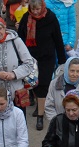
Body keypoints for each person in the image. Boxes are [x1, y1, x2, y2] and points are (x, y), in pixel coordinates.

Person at [18, 0, 67, 130]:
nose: (35, 12)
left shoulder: (51, 18)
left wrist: (62, 59)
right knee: (34, 83)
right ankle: (40, 103)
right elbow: (20, 39)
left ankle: (40, 116)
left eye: (38, 9)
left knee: (43, 84)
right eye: (33, 9)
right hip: (31, 58)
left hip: (47, 57)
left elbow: (57, 38)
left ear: (42, 7)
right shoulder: (26, 18)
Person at [0, 16, 36, 96]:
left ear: (5, 28)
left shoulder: (16, 41)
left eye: (0, 29)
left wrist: (14, 74)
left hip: (17, 92)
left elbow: (29, 64)